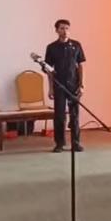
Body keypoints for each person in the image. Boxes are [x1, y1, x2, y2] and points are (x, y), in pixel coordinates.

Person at [45, 19, 87, 153]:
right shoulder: (51, 47)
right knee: (59, 116)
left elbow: (80, 65)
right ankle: (59, 143)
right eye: (62, 28)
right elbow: (49, 70)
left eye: (67, 28)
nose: (65, 31)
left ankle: (76, 143)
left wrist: (81, 85)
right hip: (59, 85)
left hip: (73, 85)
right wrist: (51, 88)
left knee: (75, 115)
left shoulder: (76, 45)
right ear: (56, 30)